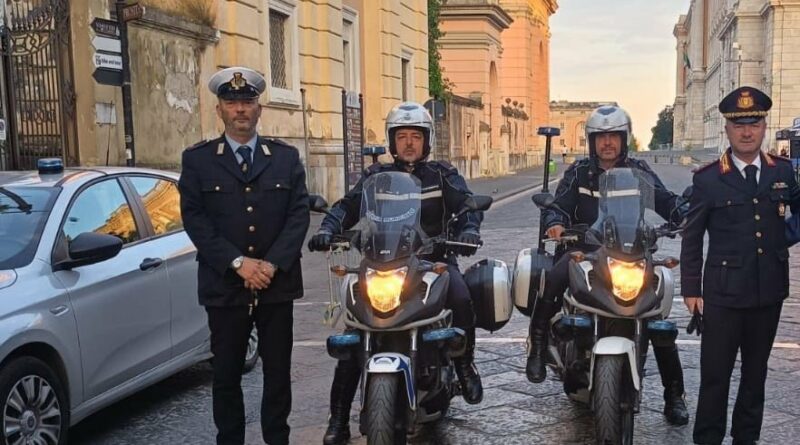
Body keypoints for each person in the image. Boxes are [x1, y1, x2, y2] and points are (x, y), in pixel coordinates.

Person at [309, 102, 485, 445]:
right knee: (355, 332)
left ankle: (465, 366)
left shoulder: (442, 174)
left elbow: (466, 206)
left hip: (432, 259)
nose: (408, 143)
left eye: (414, 136)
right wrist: (329, 228)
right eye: (401, 136)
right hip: (381, 263)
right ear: (392, 141)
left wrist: (469, 230)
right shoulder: (375, 177)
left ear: (426, 140)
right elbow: (347, 206)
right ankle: (340, 418)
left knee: (462, 296)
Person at [524, 105, 691, 425]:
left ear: (624, 138)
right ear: (591, 141)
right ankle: (539, 341)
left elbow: (666, 200)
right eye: (601, 137)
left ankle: (674, 394)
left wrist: (682, 216)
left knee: (656, 318)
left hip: (631, 252)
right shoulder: (578, 172)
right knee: (555, 273)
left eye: (614, 136)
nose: (608, 143)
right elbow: (558, 206)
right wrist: (557, 222)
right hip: (585, 249)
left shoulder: (640, 171)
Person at [178, 67, 310, 445]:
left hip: (276, 283)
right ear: (219, 109)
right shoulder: (199, 161)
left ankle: (276, 439)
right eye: (231, 102)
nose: (240, 110)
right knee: (225, 374)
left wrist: (271, 264)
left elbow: (298, 213)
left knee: (278, 373)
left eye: (247, 102)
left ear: (259, 109)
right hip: (225, 285)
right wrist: (238, 263)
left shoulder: (284, 158)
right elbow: (196, 219)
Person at [681, 86, 800, 445]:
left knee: (755, 375)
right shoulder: (708, 179)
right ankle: (708, 439)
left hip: (768, 291)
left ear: (764, 127)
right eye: (738, 125)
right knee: (715, 376)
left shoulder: (782, 172)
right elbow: (691, 236)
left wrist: (786, 236)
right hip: (722, 295)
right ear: (727, 129)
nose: (747, 132)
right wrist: (691, 289)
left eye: (754, 123)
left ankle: (746, 439)